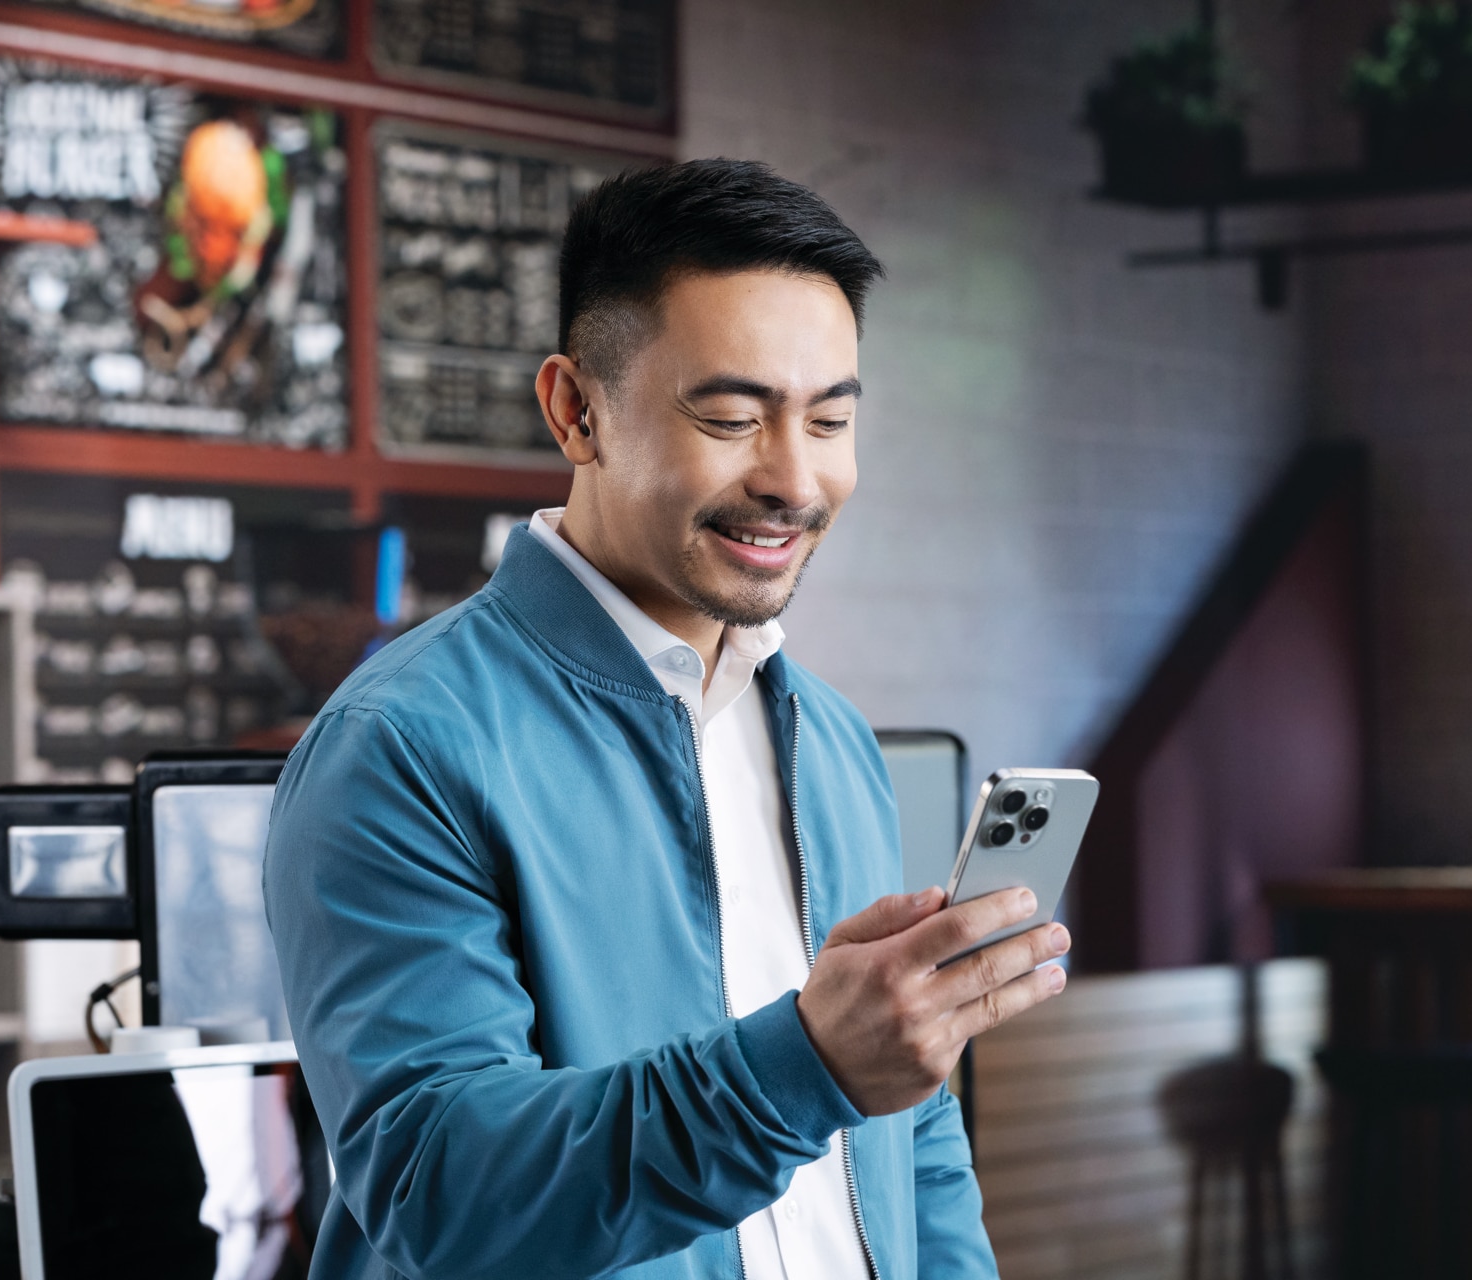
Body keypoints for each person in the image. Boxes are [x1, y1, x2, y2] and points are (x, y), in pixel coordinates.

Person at [264, 158, 1072, 1280]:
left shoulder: (833, 741)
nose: (795, 477)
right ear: (575, 410)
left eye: (830, 418)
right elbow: (433, 1191)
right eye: (734, 415)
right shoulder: (401, 745)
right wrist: (805, 1066)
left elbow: (913, 1133)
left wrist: (870, 1066)